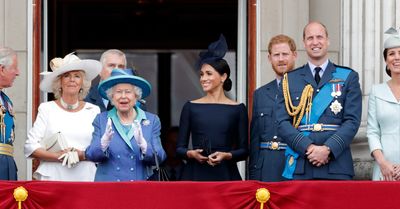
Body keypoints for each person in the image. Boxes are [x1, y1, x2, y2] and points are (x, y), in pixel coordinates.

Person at [276, 21, 362, 180]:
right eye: (310, 38)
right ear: (304, 43)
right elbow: (282, 122)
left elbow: (352, 121)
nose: (315, 42)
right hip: (302, 163)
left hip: (336, 165)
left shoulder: (348, 77)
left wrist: (328, 149)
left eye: (319, 37)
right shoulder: (290, 79)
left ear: (328, 40)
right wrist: (308, 147)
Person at [176, 34, 248, 181]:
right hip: (195, 175)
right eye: (201, 74)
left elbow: (244, 151)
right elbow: (179, 149)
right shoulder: (190, 107)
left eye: (209, 74)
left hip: (226, 175)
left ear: (223, 77)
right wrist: (192, 154)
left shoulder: (238, 108)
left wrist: (226, 155)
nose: (203, 78)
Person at [24, 53, 101, 181]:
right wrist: (58, 156)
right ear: (59, 82)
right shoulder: (46, 108)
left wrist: (80, 155)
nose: (72, 80)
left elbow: (100, 148)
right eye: (67, 76)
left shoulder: (93, 110)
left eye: (77, 76)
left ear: (83, 83)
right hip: (53, 177)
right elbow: (30, 147)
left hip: (85, 177)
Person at [85, 69, 166, 181]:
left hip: (139, 188)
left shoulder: (151, 120)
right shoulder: (101, 120)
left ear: (136, 96)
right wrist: (103, 144)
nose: (123, 96)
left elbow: (160, 156)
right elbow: (91, 155)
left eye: (128, 92)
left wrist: (144, 146)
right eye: (118, 92)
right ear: (111, 96)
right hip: (109, 189)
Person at [367, 27, 400, 181]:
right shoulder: (376, 91)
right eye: (391, 54)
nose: (396, 58)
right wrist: (382, 162)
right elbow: (373, 131)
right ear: (386, 60)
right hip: (385, 170)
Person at [249, 34, 297, 182]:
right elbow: (255, 138)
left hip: (296, 164)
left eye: (285, 54)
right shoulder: (260, 94)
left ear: (294, 55)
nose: (281, 59)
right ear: (269, 58)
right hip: (267, 167)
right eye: (276, 55)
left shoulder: (307, 90)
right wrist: (254, 175)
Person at [0, 47, 20, 180]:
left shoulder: (6, 100)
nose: (18, 73)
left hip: (6, 165)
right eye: (14, 68)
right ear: (1, 69)